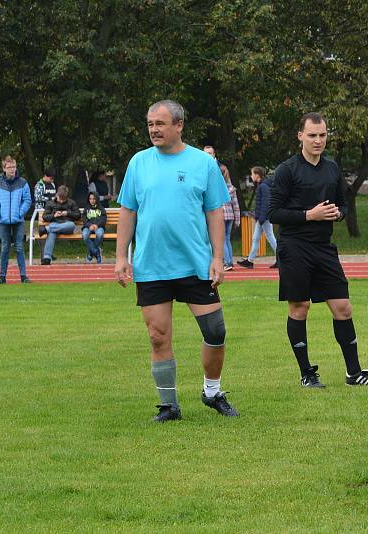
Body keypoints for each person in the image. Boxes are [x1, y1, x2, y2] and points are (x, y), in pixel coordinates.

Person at [115, 99, 238, 422]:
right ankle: (169, 406)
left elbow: (214, 211)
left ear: (179, 125)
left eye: (161, 123)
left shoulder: (202, 163)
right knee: (158, 336)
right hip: (152, 265)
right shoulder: (139, 163)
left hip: (195, 263)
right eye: (150, 124)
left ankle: (212, 392)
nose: (154, 129)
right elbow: (128, 210)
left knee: (215, 331)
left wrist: (216, 257)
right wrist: (120, 257)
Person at [268, 112, 368, 388]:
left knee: (343, 307)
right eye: (312, 135)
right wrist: (310, 215)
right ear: (300, 136)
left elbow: (343, 203)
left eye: (322, 135)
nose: (318, 140)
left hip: (323, 247)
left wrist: (337, 214)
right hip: (294, 246)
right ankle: (307, 373)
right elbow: (273, 213)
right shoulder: (287, 170)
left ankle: (354, 373)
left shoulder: (332, 168)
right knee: (300, 307)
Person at [0, 155, 32, 284]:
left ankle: (23, 276)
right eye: (9, 167)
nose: (12, 169)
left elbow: (27, 200)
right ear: (4, 168)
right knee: (4, 248)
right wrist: (0, 213)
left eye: (14, 167)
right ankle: (2, 276)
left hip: (18, 220)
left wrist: (20, 213)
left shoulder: (23, 182)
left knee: (19, 247)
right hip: (3, 221)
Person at [238, 166, 278, 269]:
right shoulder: (261, 185)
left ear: (257, 175)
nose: (251, 176)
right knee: (256, 238)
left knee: (270, 237)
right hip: (262, 217)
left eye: (252, 174)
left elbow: (265, 203)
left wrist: (261, 218)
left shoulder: (263, 186)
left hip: (263, 217)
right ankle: (250, 261)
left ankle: (281, 258)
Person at [39, 184, 79, 265]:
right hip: (55, 224)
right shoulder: (50, 203)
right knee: (52, 233)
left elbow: (78, 215)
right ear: (57, 194)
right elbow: (44, 217)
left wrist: (67, 213)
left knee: (72, 225)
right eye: (60, 198)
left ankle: (46, 229)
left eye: (63, 199)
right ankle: (47, 257)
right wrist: (54, 215)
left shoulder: (71, 203)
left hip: (67, 226)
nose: (61, 201)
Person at [220, 163, 240, 271]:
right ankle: (230, 261)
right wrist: (237, 220)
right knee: (227, 239)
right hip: (230, 216)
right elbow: (236, 205)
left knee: (222, 239)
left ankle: (227, 262)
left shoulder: (217, 187)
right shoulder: (232, 188)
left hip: (221, 215)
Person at [82, 192, 106, 263]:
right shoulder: (86, 209)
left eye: (93, 199)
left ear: (97, 199)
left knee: (100, 234)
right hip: (88, 227)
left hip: (98, 226)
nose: (92, 200)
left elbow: (104, 219)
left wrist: (97, 225)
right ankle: (97, 251)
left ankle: (90, 253)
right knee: (84, 235)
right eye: (90, 199)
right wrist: (89, 225)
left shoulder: (101, 208)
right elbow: (84, 219)